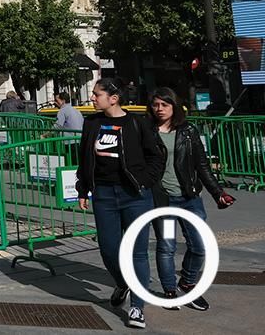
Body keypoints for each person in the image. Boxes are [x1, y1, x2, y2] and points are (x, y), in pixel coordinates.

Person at [76, 77, 165, 329]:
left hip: (135, 195)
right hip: (103, 195)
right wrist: (83, 189)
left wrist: (146, 180)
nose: (92, 98)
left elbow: (156, 156)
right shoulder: (91, 123)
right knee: (108, 248)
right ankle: (123, 282)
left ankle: (137, 307)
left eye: (97, 94)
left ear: (113, 99)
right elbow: (84, 157)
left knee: (137, 251)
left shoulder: (137, 123)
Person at [148, 87, 235, 311]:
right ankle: (169, 291)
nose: (159, 109)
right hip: (164, 202)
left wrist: (218, 193)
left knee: (199, 245)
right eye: (156, 105)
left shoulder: (188, 131)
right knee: (167, 247)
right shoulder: (146, 131)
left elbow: (202, 165)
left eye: (164, 105)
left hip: (189, 199)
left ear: (174, 106)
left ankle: (187, 283)